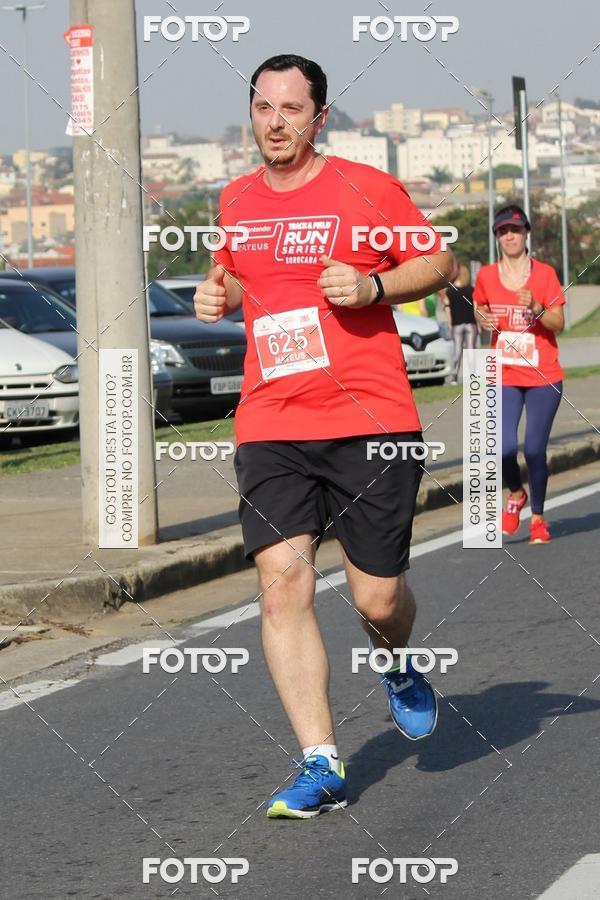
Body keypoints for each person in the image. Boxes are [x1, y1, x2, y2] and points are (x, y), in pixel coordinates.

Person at [194, 54, 455, 819]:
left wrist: (374, 286)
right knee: (283, 581)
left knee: (377, 597)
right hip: (271, 420)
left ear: (319, 117)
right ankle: (321, 763)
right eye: (263, 107)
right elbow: (235, 278)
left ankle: (396, 664)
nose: (275, 122)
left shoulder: (364, 189)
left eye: (291, 109)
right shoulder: (235, 197)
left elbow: (439, 261)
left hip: (368, 419)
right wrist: (216, 294)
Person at [473, 205, 565, 544]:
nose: (509, 236)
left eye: (514, 230)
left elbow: (559, 324)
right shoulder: (486, 275)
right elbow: (479, 307)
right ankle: (515, 492)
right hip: (504, 373)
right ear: (497, 237)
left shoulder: (545, 274)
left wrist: (537, 308)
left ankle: (537, 518)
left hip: (543, 375)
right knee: (503, 447)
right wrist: (481, 318)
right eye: (503, 231)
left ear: (525, 233)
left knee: (535, 450)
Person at [441, 262, 478, 384]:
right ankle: (472, 376)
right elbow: (475, 308)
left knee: (457, 350)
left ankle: (454, 377)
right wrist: (478, 324)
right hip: (471, 324)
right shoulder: (471, 290)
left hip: (456, 325)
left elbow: (448, 308)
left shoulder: (450, 291)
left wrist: (450, 324)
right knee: (471, 350)